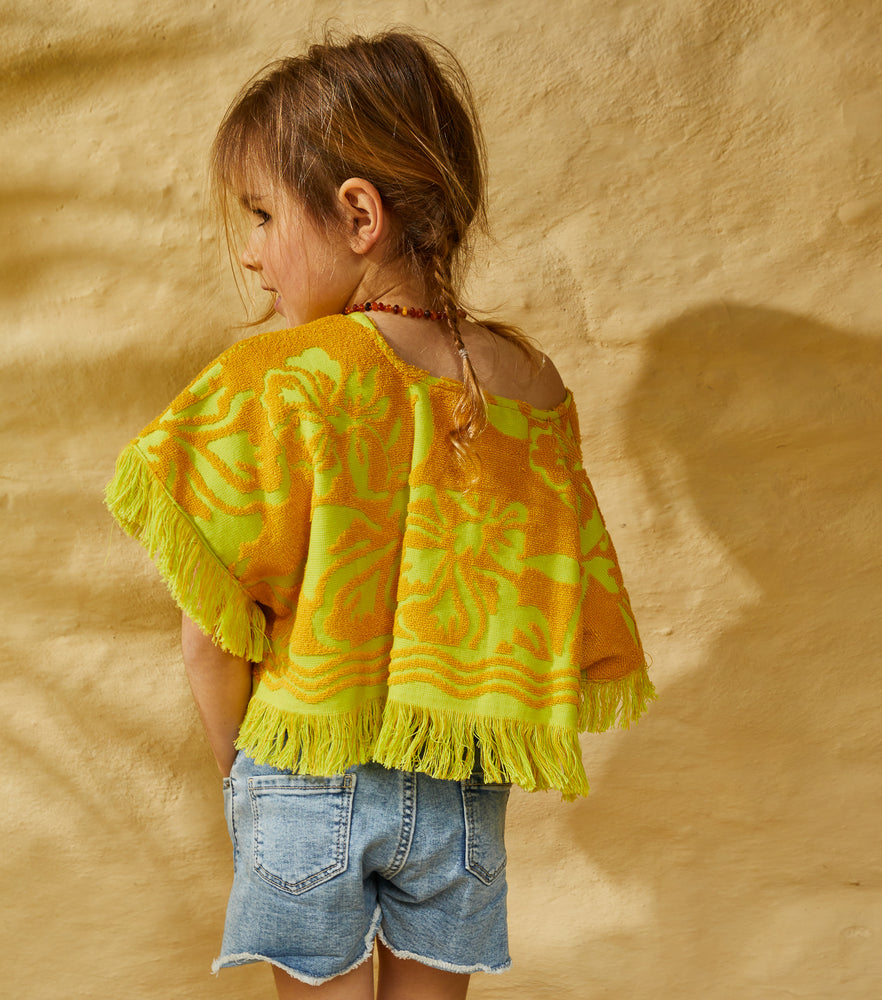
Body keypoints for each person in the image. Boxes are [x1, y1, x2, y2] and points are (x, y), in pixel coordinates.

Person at [106, 28, 654, 1000]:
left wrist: (241, 772)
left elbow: (209, 638)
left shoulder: (280, 379)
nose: (251, 252)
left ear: (359, 213)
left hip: (302, 768)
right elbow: (558, 596)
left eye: (264, 214)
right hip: (459, 783)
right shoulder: (531, 385)